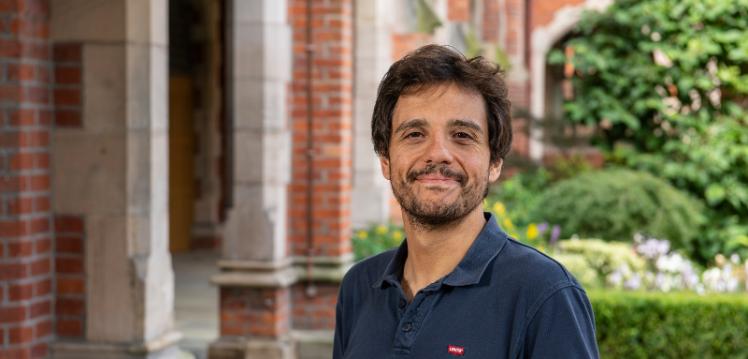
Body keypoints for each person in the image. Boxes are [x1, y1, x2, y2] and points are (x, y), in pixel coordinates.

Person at [332, 44, 599, 358]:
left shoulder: (544, 295)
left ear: (494, 162)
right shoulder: (359, 288)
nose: (438, 154)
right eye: (415, 134)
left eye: (462, 135)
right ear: (386, 160)